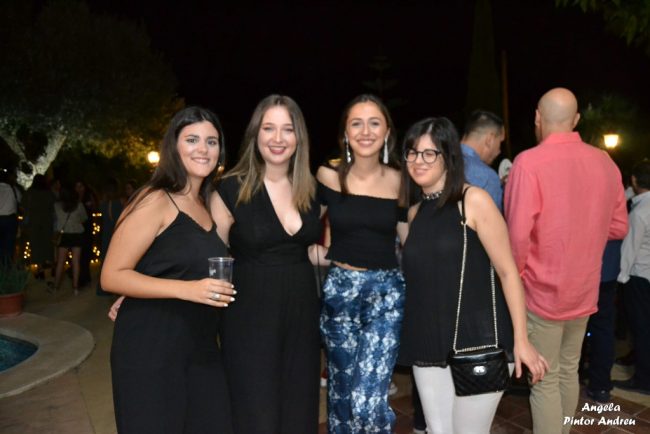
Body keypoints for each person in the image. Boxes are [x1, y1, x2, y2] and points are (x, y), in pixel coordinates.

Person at [398, 117, 548, 434]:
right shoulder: (414, 213)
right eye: (412, 152)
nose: (418, 160)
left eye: (429, 153)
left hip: (479, 341)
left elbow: (508, 272)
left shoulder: (473, 201)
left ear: (449, 157)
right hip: (429, 343)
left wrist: (521, 340)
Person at [101, 106, 236, 434]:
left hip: (199, 345)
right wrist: (186, 289)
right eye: (192, 139)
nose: (203, 149)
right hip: (151, 348)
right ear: (173, 146)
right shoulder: (155, 199)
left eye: (211, 141)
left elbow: (168, 262)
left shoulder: (206, 203)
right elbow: (112, 275)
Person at [504, 88, 628, 434]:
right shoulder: (604, 162)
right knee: (568, 371)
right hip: (584, 290)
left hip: (540, 292)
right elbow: (619, 226)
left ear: (537, 118)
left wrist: (516, 279)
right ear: (576, 120)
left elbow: (517, 236)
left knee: (544, 378)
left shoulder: (528, 162)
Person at [210, 95, 321, 433]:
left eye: (288, 129)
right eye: (269, 128)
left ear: (299, 137)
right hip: (249, 318)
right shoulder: (229, 189)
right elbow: (208, 257)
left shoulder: (311, 189)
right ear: (255, 134)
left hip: (302, 316)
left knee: (299, 409)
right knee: (256, 413)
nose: (278, 138)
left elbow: (313, 251)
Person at [317, 94, 407, 433]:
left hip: (386, 297)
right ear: (345, 132)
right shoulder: (327, 176)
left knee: (367, 399)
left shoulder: (401, 181)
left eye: (374, 123)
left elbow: (412, 241)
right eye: (356, 123)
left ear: (387, 132)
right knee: (341, 395)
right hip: (340, 293)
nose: (365, 131)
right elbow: (301, 229)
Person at [614, 159, 650, 395]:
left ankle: (644, 380)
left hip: (638, 278)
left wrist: (621, 280)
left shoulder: (639, 213)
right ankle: (637, 360)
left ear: (634, 181)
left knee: (641, 329)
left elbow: (629, 251)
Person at [460, 110, 505, 209]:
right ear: (490, 140)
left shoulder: (440, 160)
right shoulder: (488, 178)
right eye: (500, 142)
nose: (499, 151)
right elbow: (494, 219)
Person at [51, 185, 87, 294]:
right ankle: (75, 288)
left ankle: (56, 287)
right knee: (76, 261)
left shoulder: (57, 206)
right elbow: (84, 218)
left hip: (64, 235)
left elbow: (55, 220)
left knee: (60, 261)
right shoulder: (79, 205)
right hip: (77, 234)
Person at [21, 174, 56, 276]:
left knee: (36, 245)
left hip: (34, 222)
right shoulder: (49, 193)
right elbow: (54, 207)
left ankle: (40, 268)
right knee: (47, 244)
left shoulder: (29, 193)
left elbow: (23, 206)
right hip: (47, 222)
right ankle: (51, 266)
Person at [0, 167, 21, 264]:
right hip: (10, 219)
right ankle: (7, 266)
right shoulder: (13, 189)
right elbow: (19, 200)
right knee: (9, 245)